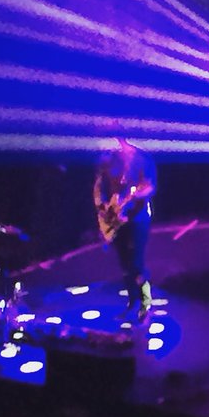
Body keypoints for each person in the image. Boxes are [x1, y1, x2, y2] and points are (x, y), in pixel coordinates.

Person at [93, 136, 157, 322]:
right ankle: (132, 303)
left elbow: (149, 187)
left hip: (138, 217)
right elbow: (99, 187)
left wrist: (134, 196)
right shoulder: (109, 159)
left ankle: (146, 304)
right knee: (125, 265)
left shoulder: (142, 158)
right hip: (116, 219)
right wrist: (104, 209)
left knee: (136, 263)